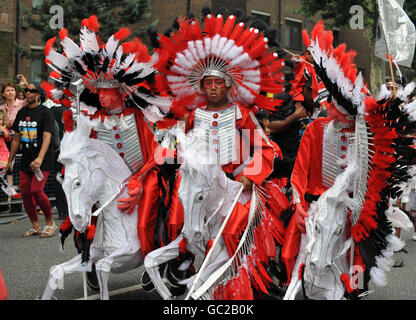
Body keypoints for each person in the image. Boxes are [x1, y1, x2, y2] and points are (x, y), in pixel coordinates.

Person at [281, 21, 415, 298]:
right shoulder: (315, 130)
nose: (334, 109)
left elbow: (375, 175)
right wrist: (298, 206)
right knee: (294, 253)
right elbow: (299, 174)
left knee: (355, 265)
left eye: (341, 105)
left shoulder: (366, 135)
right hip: (316, 208)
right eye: (332, 103)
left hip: (352, 211)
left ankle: (353, 289)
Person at [6, 83, 57, 238]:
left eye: (31, 91)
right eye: (26, 90)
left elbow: (48, 136)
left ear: (38, 95)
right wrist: (10, 160)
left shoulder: (45, 112)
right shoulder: (22, 112)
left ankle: (50, 223)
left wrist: (40, 158)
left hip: (43, 159)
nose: (27, 93)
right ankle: (35, 225)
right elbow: (16, 139)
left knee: (36, 190)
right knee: (26, 193)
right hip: (26, 159)